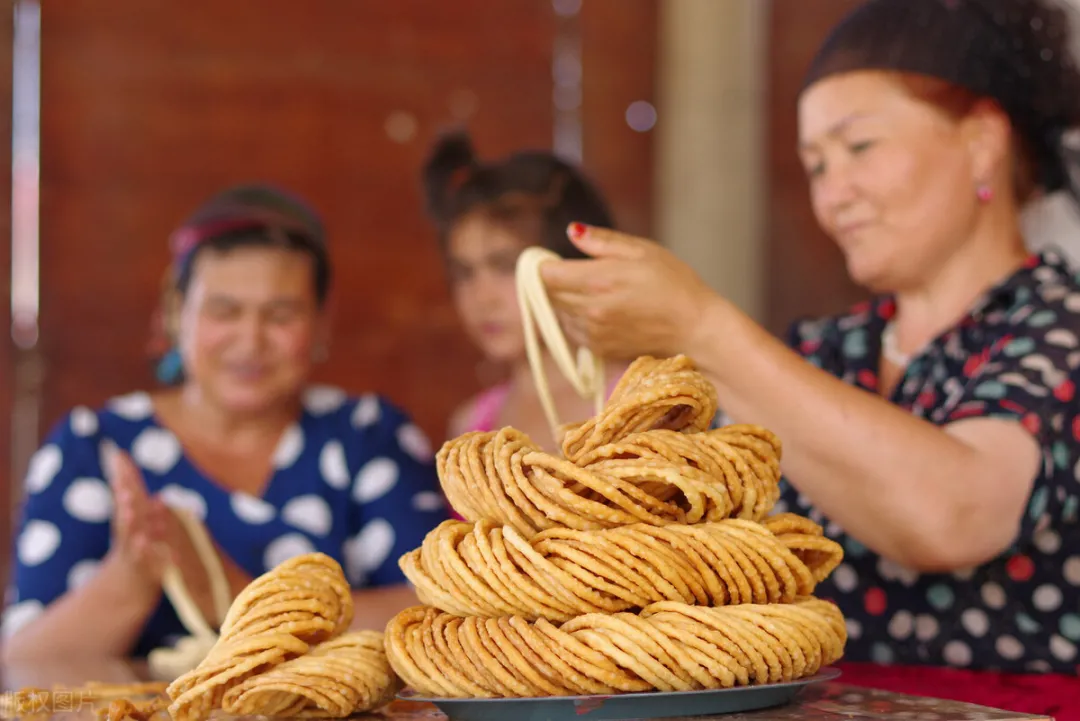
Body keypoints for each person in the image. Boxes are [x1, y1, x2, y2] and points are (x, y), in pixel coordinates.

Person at [540, 0, 1080, 714]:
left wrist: (701, 325)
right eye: (816, 165)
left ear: (982, 141)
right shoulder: (820, 351)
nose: (834, 194)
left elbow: (953, 515)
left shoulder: (1061, 324)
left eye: (859, 148)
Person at [1, 184, 449, 662]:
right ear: (177, 313)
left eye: (281, 314)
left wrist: (234, 597)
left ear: (321, 324)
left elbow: (442, 616)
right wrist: (133, 574)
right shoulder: (93, 447)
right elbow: (25, 662)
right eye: (224, 310)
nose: (250, 340)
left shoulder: (368, 435)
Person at [422, 131, 631, 451]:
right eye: (464, 272)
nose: (482, 297)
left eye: (507, 266)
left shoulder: (634, 403)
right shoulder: (470, 426)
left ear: (571, 263)